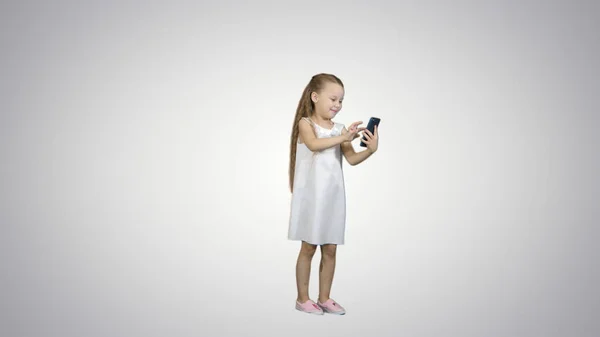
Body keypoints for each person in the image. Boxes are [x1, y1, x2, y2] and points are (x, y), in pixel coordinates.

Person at [288, 73, 379, 315]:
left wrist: (370, 150)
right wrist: (343, 137)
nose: (337, 105)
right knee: (308, 247)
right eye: (333, 99)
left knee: (330, 249)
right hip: (311, 199)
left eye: (341, 101)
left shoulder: (339, 129)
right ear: (315, 97)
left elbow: (351, 158)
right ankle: (302, 299)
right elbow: (314, 144)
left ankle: (325, 298)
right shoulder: (305, 124)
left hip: (333, 198)